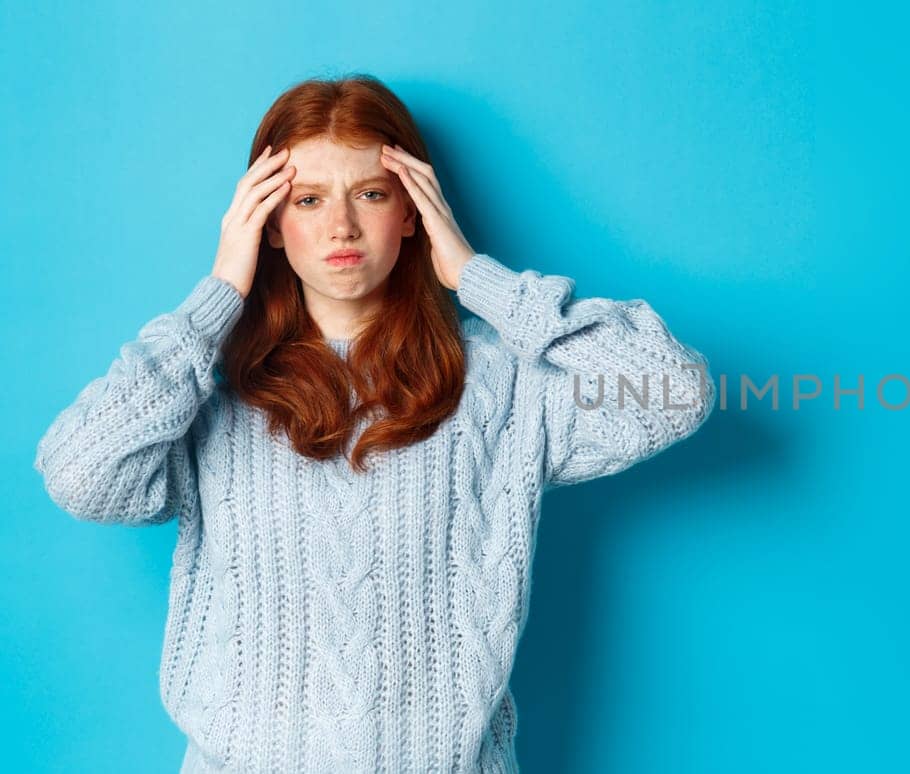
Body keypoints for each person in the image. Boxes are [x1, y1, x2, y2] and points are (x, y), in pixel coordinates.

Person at [33, 74, 715, 774]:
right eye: (307, 199)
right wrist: (217, 298)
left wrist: (477, 277)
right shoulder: (207, 393)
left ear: (414, 211)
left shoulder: (502, 385)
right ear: (267, 222)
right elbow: (80, 476)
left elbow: (674, 393)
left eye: (371, 193)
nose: (341, 227)